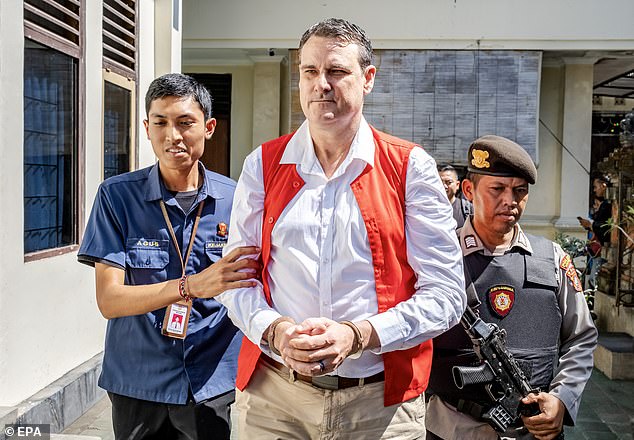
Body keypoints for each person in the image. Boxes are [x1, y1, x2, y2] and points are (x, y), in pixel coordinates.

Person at [215, 18, 466, 439]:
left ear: (368, 79)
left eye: (336, 71)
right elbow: (234, 278)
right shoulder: (262, 165)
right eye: (310, 72)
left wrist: (359, 335)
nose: (321, 84)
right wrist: (275, 332)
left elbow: (446, 293)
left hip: (378, 405)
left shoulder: (409, 167)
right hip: (274, 400)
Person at [77, 73, 259, 440]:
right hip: (137, 379)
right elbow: (109, 300)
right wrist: (190, 286)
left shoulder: (238, 199)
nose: (172, 135)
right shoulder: (117, 197)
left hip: (210, 381)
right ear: (146, 128)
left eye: (185, 122)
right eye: (160, 122)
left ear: (208, 127)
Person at [426, 135, 598, 440]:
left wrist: (561, 400)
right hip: (450, 427)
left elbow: (581, 339)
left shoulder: (552, 259)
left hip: (534, 429)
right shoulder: (439, 257)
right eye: (497, 189)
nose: (510, 200)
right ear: (469, 190)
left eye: (520, 191)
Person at [578, 175, 612, 246]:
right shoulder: (605, 204)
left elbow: (607, 228)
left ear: (603, 186)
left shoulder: (609, 205)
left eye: (595, 187)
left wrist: (591, 225)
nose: (594, 190)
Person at [439, 164, 473, 228]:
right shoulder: (428, 209)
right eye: (440, 182)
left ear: (457, 185)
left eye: (448, 182)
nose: (444, 186)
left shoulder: (468, 210)